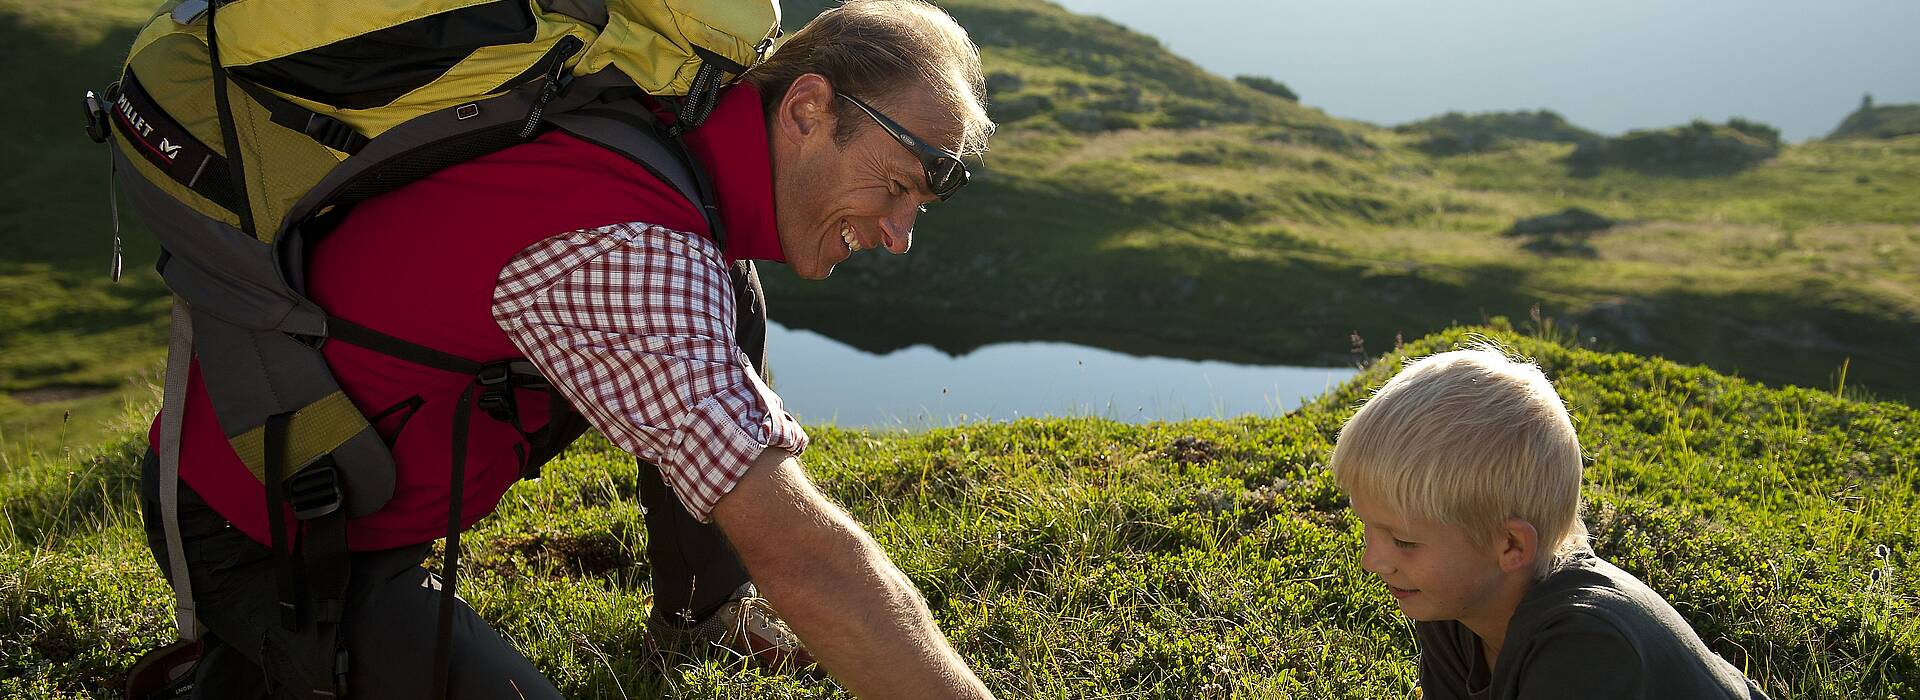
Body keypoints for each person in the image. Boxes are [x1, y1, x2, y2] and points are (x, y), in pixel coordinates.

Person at [136, 1, 997, 698]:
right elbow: (805, 557)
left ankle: (703, 614)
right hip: (270, 527)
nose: (899, 235)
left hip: (364, 475)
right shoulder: (631, 249)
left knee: (727, 299)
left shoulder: (675, 124)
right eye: (896, 187)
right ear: (807, 110)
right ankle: (249, 664)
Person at [1328, 345, 1769, 699]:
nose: (1372, 560)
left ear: (1510, 545)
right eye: (1369, 528)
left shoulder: (1586, 645)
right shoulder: (1451, 608)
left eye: (1404, 542)